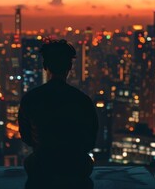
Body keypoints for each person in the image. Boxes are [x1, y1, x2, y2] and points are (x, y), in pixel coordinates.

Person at [18, 39, 99, 189]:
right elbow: (91, 140)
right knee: (87, 161)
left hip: (41, 166)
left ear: (44, 66)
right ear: (69, 67)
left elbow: (26, 137)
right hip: (76, 167)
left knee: (29, 161)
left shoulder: (30, 98)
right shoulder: (82, 100)